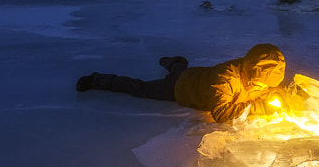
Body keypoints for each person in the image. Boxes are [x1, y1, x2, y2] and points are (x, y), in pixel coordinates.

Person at [76, 43, 288, 123]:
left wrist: (281, 96)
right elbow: (221, 113)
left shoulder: (256, 72)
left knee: (179, 69)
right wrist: (259, 106)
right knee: (139, 88)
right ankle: (98, 79)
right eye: (262, 85)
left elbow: (270, 89)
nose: (264, 89)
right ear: (252, 74)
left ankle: (175, 62)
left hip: (195, 75)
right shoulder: (225, 79)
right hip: (180, 89)